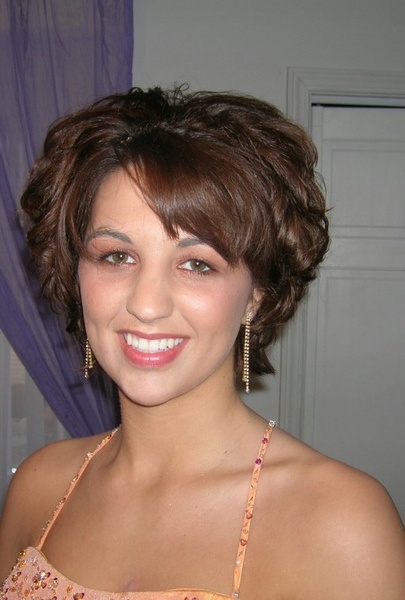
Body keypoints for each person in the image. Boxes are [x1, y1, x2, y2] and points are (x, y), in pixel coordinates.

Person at [0, 86, 404, 600]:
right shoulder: (39, 487)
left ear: (256, 295)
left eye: (197, 264)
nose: (147, 304)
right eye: (116, 257)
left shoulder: (342, 524)